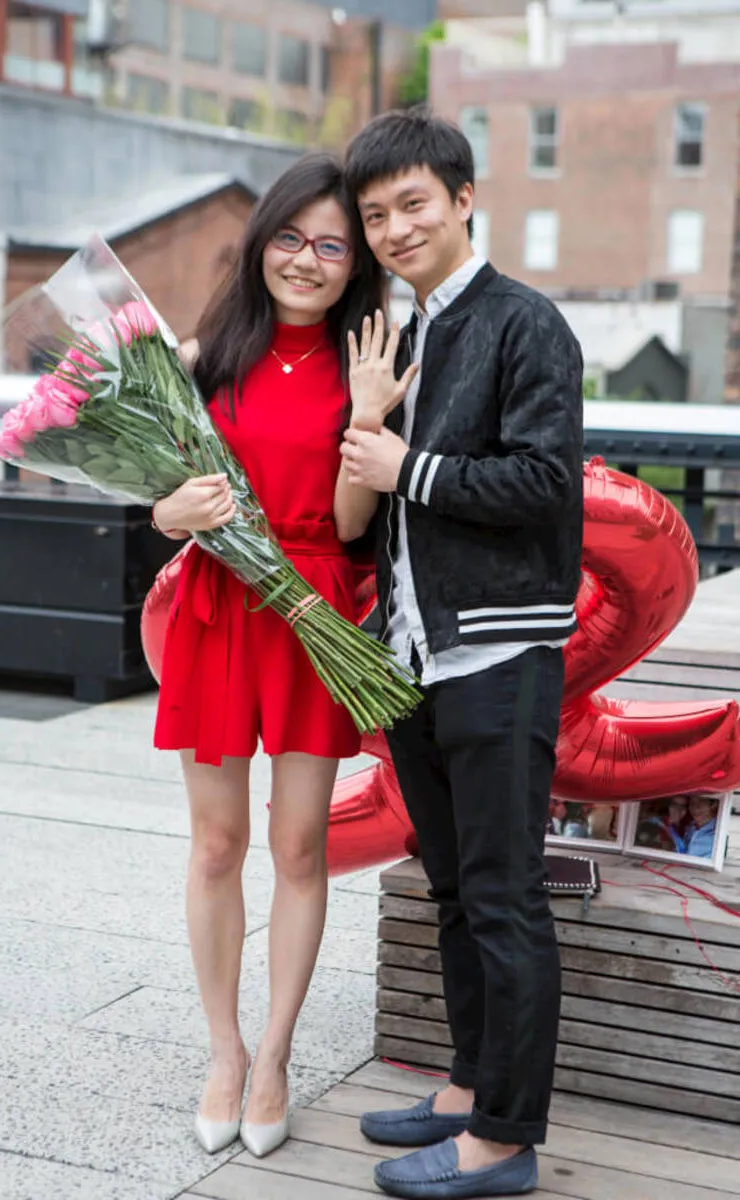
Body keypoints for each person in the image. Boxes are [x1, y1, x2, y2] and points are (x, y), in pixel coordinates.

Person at [335, 107, 584, 1199]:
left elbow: (544, 487)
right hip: (413, 657)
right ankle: (465, 1086)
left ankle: (503, 1140)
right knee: (447, 888)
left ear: (463, 198)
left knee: (502, 896)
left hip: (497, 656)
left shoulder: (526, 323)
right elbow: (375, 501)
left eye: (412, 205)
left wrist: (407, 467)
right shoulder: (410, 333)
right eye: (374, 214)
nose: (392, 229)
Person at [151, 153, 386, 1160]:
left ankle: (278, 1055)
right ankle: (222, 1050)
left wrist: (370, 419)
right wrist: (175, 511)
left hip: (309, 608)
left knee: (298, 847)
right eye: (290, 236)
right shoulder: (205, 354)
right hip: (218, 606)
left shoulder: (361, 360)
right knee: (215, 846)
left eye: (331, 244)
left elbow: (343, 524)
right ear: (262, 244)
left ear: (353, 262)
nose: (307, 258)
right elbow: (160, 505)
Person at [683, 794, 719, 859]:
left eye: (701, 801)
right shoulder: (689, 827)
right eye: (692, 802)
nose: (695, 807)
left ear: (713, 805)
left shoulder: (718, 831)